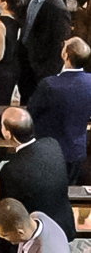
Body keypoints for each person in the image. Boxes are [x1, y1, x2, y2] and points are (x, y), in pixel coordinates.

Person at [0, 107, 75, 243]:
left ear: (8, 134)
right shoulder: (52, 144)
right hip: (64, 224)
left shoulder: (11, 171)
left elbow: (11, 208)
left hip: (39, 234)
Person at [27, 36, 91, 182]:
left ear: (65, 55)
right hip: (77, 150)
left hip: (49, 151)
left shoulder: (50, 85)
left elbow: (32, 112)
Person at [19, 0, 72, 104]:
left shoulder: (58, 9)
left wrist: (46, 74)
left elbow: (58, 44)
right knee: (25, 100)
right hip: (26, 61)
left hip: (40, 67)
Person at [0, 198, 71, 253]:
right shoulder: (36, 216)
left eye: (5, 235)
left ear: (20, 232)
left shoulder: (46, 250)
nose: (0, 236)